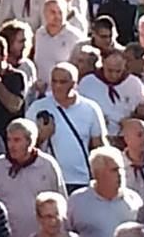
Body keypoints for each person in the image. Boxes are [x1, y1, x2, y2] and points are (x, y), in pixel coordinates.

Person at [26, 63, 107, 193]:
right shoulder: (37, 107)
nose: (57, 86)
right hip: (48, 179)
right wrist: (42, 137)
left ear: (74, 84)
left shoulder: (90, 108)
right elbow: (25, 145)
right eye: (54, 81)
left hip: (81, 180)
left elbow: (99, 145)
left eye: (63, 82)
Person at [0, 118, 66, 237]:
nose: (11, 145)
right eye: (9, 140)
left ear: (30, 142)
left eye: (17, 140)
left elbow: (61, 203)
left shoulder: (47, 165)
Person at [66, 145, 142, 237]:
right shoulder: (77, 201)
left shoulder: (134, 199)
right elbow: (65, 231)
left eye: (121, 169)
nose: (120, 174)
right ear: (98, 174)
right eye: (114, 170)